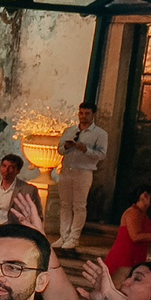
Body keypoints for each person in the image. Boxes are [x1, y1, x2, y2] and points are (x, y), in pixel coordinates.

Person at [55, 103, 107, 249]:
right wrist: (67, 147)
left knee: (79, 205)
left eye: (87, 113)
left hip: (84, 171)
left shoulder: (100, 134)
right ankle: (63, 235)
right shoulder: (70, 131)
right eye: (81, 113)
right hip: (67, 170)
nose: (83, 116)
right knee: (65, 204)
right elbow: (59, 150)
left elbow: (102, 155)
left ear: (93, 114)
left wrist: (85, 149)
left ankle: (74, 237)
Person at [104, 184, 151, 274]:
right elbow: (135, 236)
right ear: (144, 196)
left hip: (136, 256)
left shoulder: (142, 214)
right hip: (125, 257)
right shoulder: (133, 212)